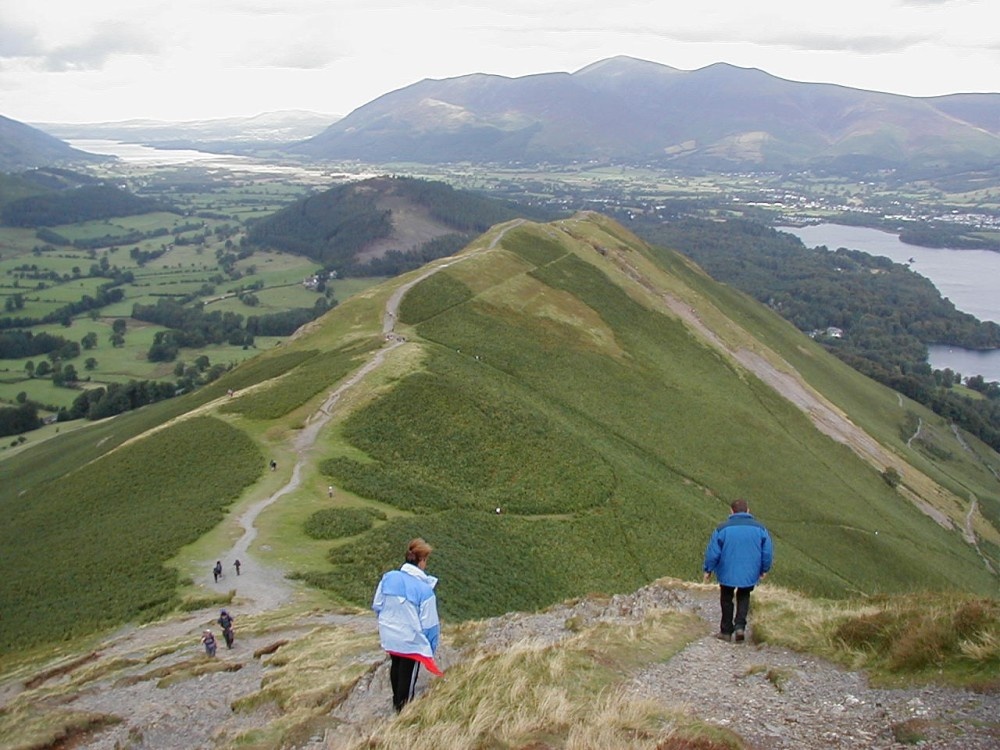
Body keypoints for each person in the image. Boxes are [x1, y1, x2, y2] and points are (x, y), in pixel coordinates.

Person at [372, 538, 443, 712]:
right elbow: (430, 625)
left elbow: (377, 604)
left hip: (390, 635)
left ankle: (396, 702)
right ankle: (403, 711)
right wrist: (429, 648)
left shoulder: (388, 578)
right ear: (422, 561)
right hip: (411, 639)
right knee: (408, 674)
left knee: (396, 665)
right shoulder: (424, 590)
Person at [703, 498, 773, 643]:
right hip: (750, 571)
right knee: (744, 596)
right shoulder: (760, 529)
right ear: (748, 510)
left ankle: (726, 631)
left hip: (726, 570)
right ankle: (740, 627)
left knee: (726, 598)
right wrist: (764, 568)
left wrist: (708, 569)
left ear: (731, 511)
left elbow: (713, 552)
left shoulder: (722, 528)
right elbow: (767, 552)